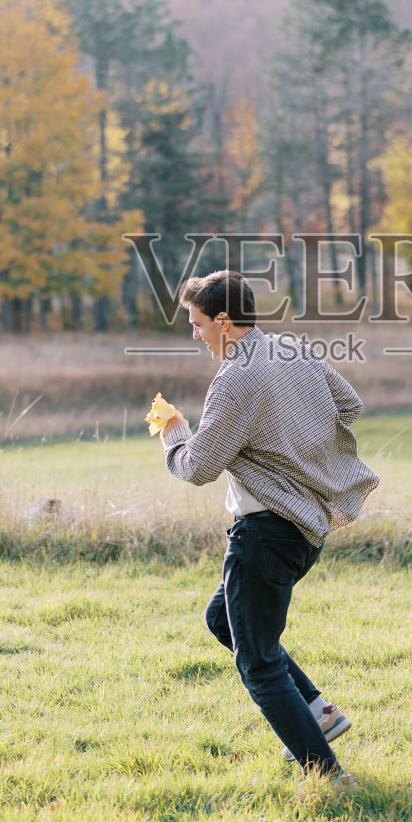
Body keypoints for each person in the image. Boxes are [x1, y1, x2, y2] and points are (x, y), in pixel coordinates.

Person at [159, 270, 378, 781]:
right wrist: (292, 435)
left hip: (265, 534)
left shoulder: (234, 379)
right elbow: (349, 404)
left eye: (197, 324)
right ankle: (318, 713)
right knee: (223, 621)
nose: (194, 334)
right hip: (303, 527)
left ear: (224, 321)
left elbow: (198, 468)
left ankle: (328, 776)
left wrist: (174, 435)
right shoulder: (290, 348)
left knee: (257, 664)